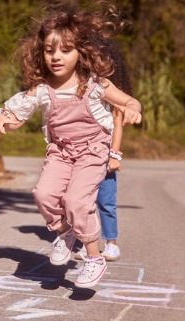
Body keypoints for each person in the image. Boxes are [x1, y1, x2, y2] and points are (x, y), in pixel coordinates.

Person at [0, 1, 141, 288]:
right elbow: (16, 117)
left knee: (76, 201)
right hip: (60, 152)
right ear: (41, 52)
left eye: (65, 50)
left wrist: (134, 109)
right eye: (49, 51)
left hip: (92, 152)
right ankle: (65, 233)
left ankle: (94, 257)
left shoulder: (95, 84)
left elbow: (128, 101)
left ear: (80, 52)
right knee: (43, 195)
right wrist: (0, 118)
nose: (55, 57)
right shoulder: (42, 89)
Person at [74, 38, 134, 262]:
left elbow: (117, 126)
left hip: (106, 156)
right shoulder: (82, 90)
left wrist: (115, 155)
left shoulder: (111, 96)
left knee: (105, 202)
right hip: (84, 155)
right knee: (84, 201)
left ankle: (111, 243)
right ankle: (88, 242)